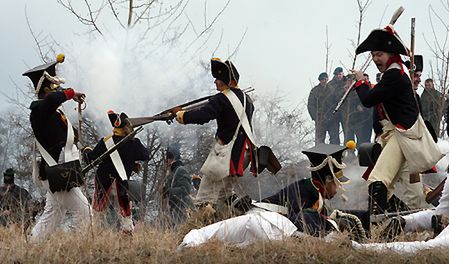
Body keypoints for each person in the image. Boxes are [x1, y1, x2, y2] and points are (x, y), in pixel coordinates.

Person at [352, 24, 420, 215]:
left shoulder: (394, 76)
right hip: (394, 136)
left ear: (390, 54)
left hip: (402, 136)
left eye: (379, 54)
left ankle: (379, 227)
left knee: (378, 182)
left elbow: (368, 99)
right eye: (373, 55)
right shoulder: (392, 74)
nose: (375, 59)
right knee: (387, 189)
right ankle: (401, 224)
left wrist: (361, 81)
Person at [173, 58, 257, 209]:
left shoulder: (222, 99)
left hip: (226, 155)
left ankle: (202, 228)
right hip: (243, 154)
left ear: (227, 80)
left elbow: (204, 116)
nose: (215, 82)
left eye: (218, 78)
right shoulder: (247, 99)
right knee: (225, 194)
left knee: (204, 197)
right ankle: (244, 213)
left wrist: (181, 115)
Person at [24, 54, 91, 242]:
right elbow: (53, 100)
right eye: (54, 89)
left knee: (53, 214)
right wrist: (70, 93)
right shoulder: (39, 111)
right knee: (87, 213)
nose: (58, 91)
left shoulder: (50, 113)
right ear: (47, 90)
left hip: (60, 167)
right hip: (58, 169)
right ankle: (81, 248)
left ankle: (32, 245)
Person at [261, 144, 352, 236]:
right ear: (328, 179)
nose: (339, 188)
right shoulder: (302, 193)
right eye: (336, 184)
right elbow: (299, 225)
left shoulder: (315, 193)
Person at [84, 110, 149, 233]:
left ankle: (92, 236)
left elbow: (90, 158)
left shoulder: (106, 141)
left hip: (104, 181)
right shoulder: (133, 143)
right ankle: (127, 236)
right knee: (125, 214)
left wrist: (86, 150)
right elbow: (146, 155)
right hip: (121, 183)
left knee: (97, 214)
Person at [162, 144, 194, 226]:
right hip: (175, 212)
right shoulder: (173, 172)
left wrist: (168, 191)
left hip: (181, 211)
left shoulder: (180, 170)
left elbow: (185, 190)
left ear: (171, 158)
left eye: (167, 158)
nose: (166, 161)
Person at [308, 72, 341, 145]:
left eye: (325, 79)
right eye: (322, 79)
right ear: (319, 80)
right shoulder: (315, 91)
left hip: (332, 119)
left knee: (335, 140)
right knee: (319, 141)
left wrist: (335, 116)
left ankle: (335, 155)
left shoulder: (333, 90)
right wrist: (316, 117)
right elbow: (311, 105)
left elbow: (338, 103)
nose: (324, 81)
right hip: (320, 119)